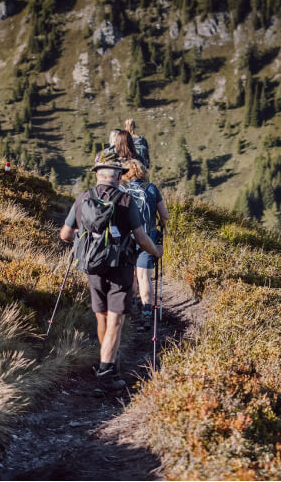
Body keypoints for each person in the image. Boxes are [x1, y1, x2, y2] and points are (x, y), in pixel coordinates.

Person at [60, 157, 163, 393]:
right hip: (120, 268)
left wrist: (86, 239)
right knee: (116, 319)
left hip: (92, 267)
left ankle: (110, 363)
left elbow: (65, 234)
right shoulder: (126, 201)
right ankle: (106, 372)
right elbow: (141, 237)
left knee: (102, 317)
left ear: (97, 175)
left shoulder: (82, 198)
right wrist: (155, 251)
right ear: (117, 177)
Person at [121, 158, 169, 320]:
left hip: (127, 238)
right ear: (142, 172)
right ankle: (147, 309)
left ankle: (132, 304)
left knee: (131, 274)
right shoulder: (151, 189)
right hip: (148, 236)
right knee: (144, 275)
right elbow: (165, 215)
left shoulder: (121, 189)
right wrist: (161, 223)